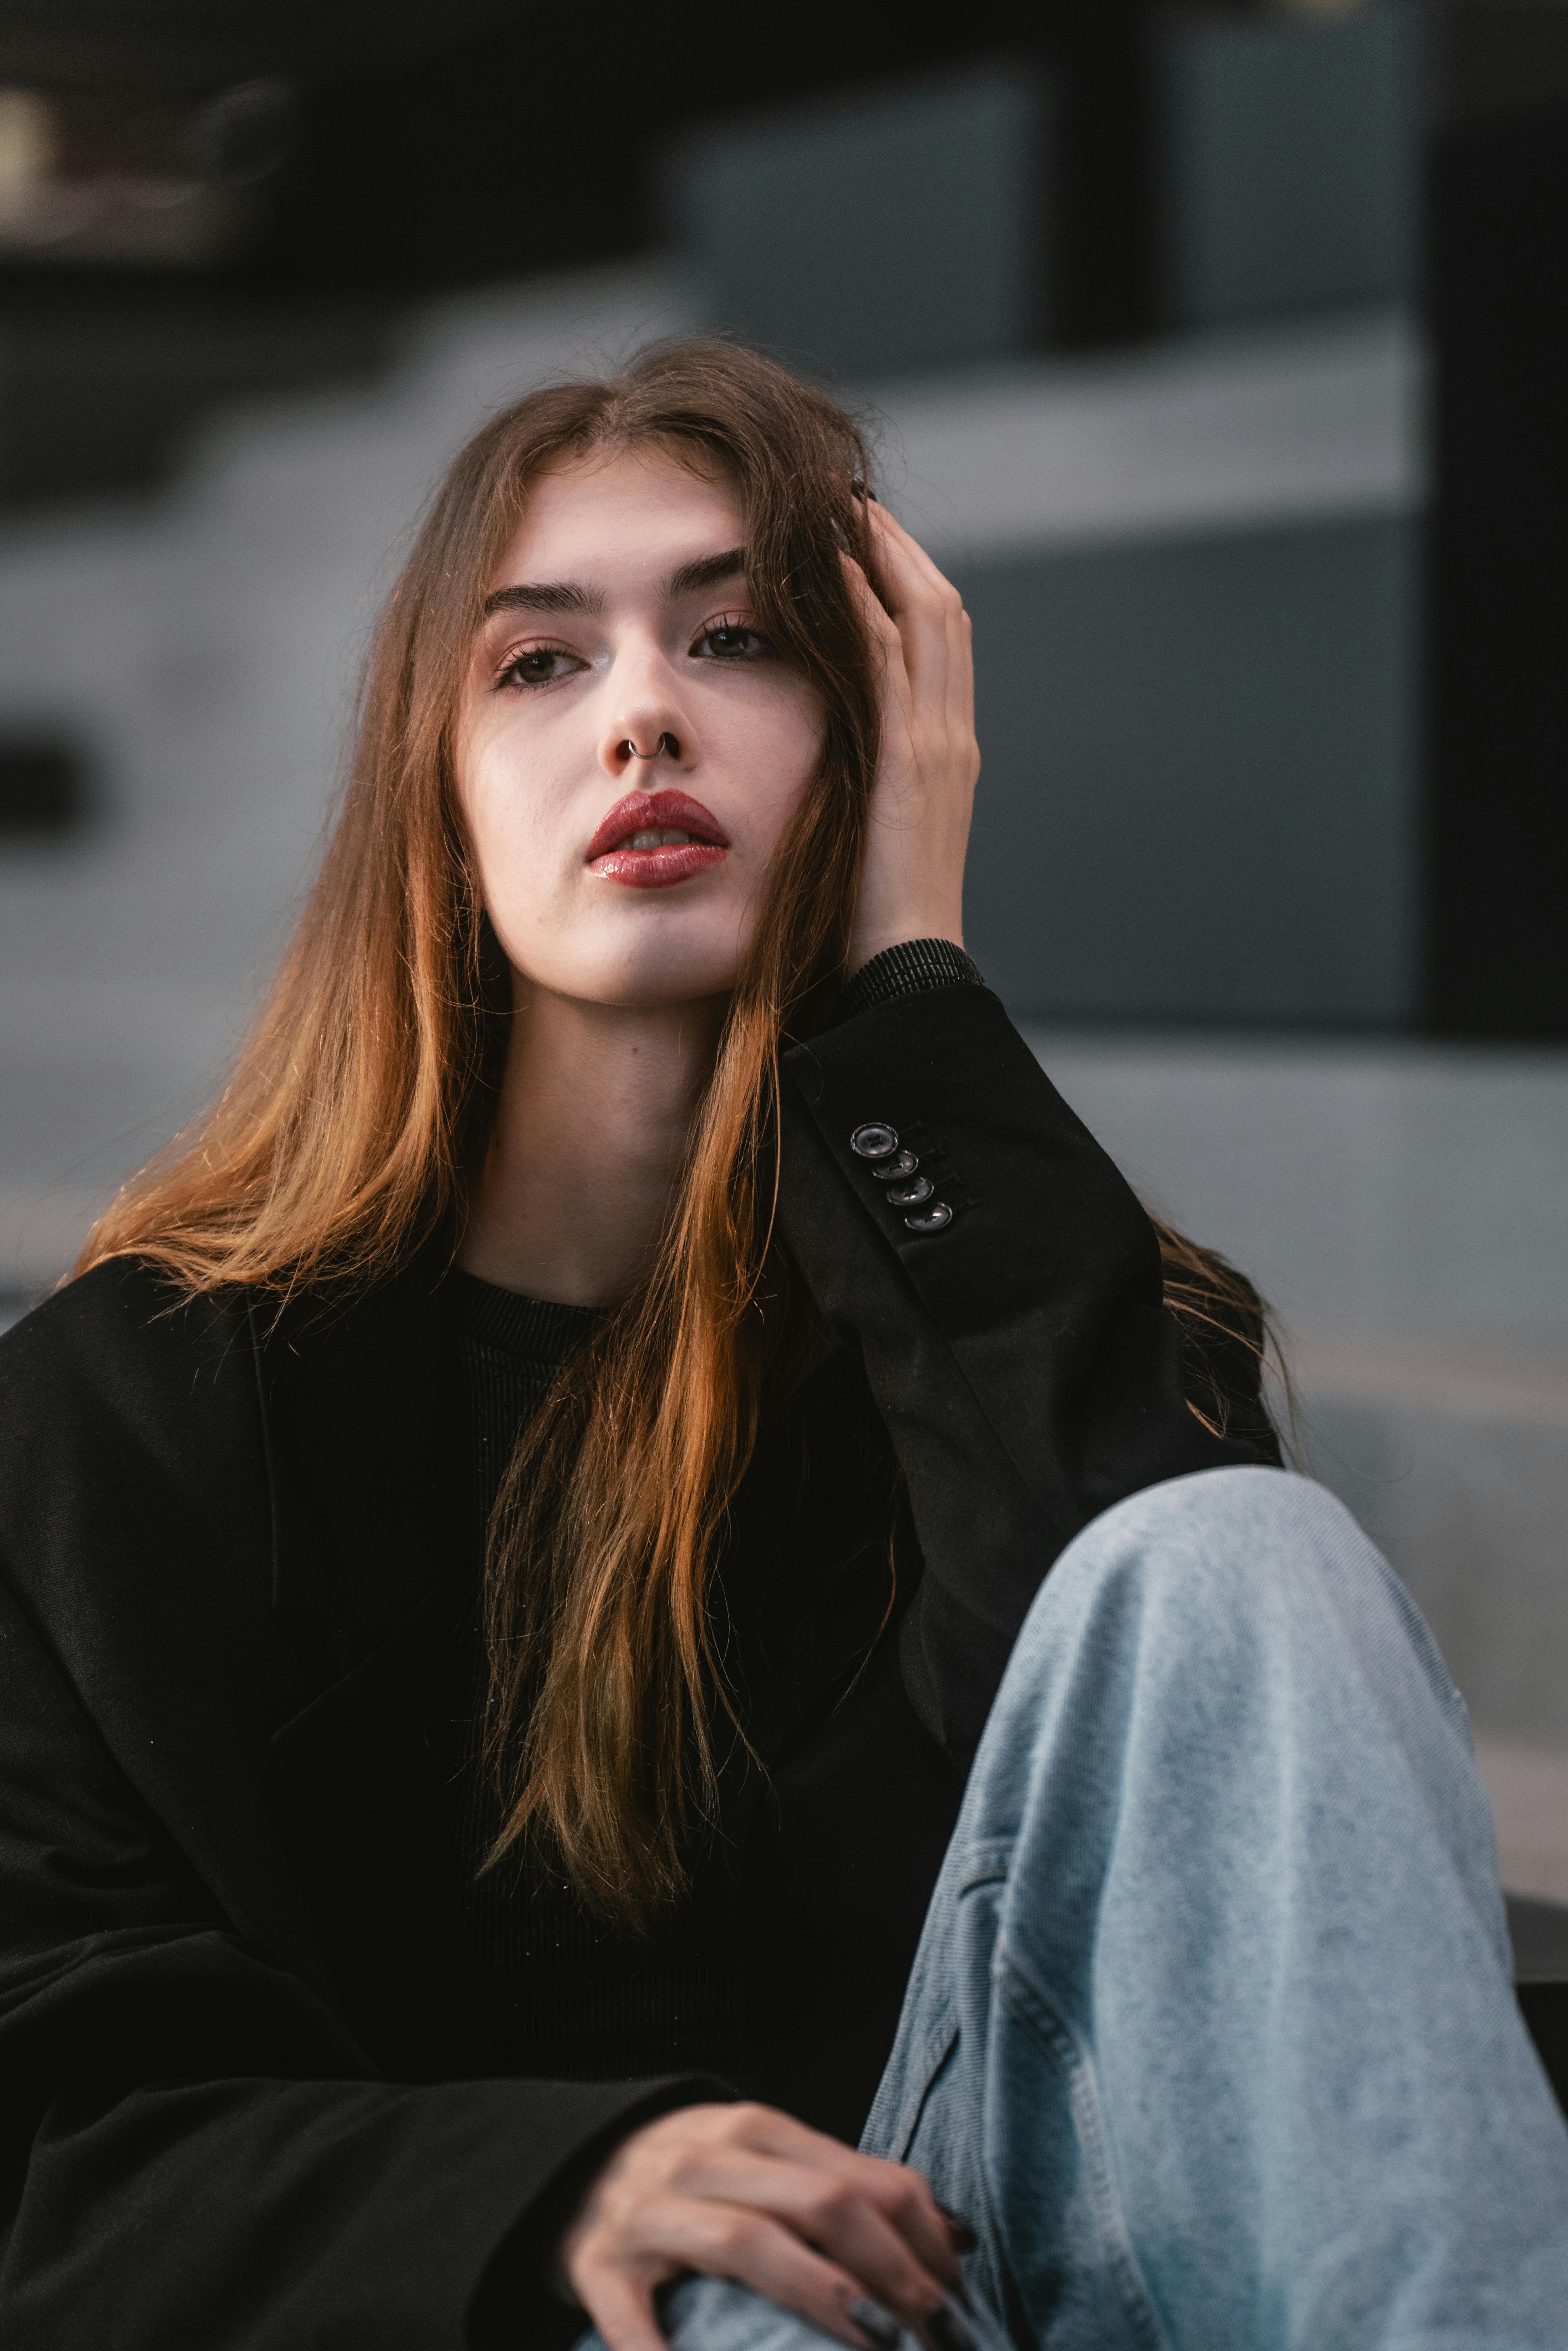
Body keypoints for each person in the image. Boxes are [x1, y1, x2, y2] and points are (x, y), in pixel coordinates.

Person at [0, 340, 1561, 2351]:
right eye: (540, 664)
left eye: (739, 640)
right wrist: (568, 2179)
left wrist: (909, 975)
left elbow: (1177, 1815)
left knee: (1227, 1555)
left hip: (1023, 2240)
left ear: (878, 734)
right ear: (435, 791)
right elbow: (61, 2126)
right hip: (593, 2316)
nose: (644, 708)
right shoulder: (130, 1417)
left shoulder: (1014, 1296)